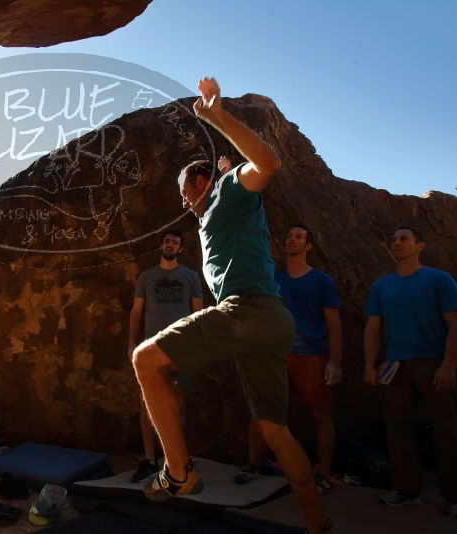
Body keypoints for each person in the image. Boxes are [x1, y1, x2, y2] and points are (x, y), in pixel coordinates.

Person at [131, 77, 334, 533]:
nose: (183, 201)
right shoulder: (218, 200)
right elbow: (230, 180)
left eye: (185, 189)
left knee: (145, 359)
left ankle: (179, 473)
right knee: (274, 430)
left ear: (201, 180)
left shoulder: (230, 192)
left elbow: (267, 162)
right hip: (269, 322)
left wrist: (217, 117)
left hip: (250, 312)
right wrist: (224, 169)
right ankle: (319, 525)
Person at [233, 225, 342, 492]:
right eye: (289, 235)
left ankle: (324, 472)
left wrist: (335, 361)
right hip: (275, 354)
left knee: (320, 412)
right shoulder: (273, 279)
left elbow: (333, 322)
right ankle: (254, 464)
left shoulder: (321, 281)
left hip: (311, 354)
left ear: (308, 247)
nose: (291, 239)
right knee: (262, 410)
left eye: (299, 237)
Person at [364, 227, 457, 519]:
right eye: (393, 240)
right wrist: (369, 365)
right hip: (395, 366)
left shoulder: (438, 280)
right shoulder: (381, 287)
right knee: (397, 428)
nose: (397, 243)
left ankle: (455, 496)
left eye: (404, 238)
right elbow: (373, 328)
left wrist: (448, 365)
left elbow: (455, 324)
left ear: (420, 246)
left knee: (448, 430)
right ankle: (407, 491)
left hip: (433, 363)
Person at [128, 229, 203, 482]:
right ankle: (150, 459)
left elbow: (198, 314)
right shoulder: (147, 277)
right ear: (161, 246)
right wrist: (131, 342)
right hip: (150, 348)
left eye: (175, 243)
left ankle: (177, 459)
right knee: (146, 403)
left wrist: (195, 346)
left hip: (179, 348)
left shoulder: (191, 277)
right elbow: (137, 312)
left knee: (177, 402)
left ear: (181, 249)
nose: (170, 245)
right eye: (167, 241)